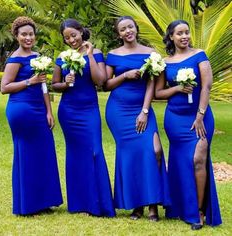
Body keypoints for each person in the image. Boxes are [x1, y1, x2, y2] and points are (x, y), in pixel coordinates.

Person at [155, 20, 222, 229]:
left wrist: (200, 115)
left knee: (198, 159)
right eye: (179, 33)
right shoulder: (165, 62)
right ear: (171, 37)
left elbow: (207, 87)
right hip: (175, 119)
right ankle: (180, 207)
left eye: (187, 33)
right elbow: (158, 93)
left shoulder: (200, 55)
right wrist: (177, 89)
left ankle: (199, 211)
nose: (184, 36)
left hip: (199, 117)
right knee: (181, 162)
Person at [104, 16, 171, 221]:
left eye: (130, 27)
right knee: (130, 156)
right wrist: (125, 75)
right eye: (123, 29)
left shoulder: (151, 54)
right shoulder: (113, 55)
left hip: (141, 109)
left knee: (154, 151)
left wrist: (144, 110)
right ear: (118, 33)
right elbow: (105, 84)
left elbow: (152, 84)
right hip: (118, 111)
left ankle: (153, 205)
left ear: (136, 28)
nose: (127, 31)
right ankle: (137, 206)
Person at [52, 19, 115, 217]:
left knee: (95, 151)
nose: (71, 40)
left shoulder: (95, 54)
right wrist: (65, 82)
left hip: (89, 110)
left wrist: (89, 54)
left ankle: (100, 203)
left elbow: (100, 81)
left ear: (81, 31)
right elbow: (55, 85)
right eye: (67, 37)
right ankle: (80, 204)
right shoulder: (62, 57)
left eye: (74, 35)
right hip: (68, 111)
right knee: (76, 155)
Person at [0, 16, 63, 215]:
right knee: (27, 155)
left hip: (39, 110)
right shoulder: (15, 59)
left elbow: (44, 85)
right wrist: (30, 81)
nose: (28, 37)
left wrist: (49, 111)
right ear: (16, 36)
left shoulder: (37, 56)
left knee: (43, 153)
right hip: (22, 110)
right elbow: (4, 87)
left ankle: (44, 201)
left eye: (31, 34)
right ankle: (28, 205)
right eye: (24, 34)